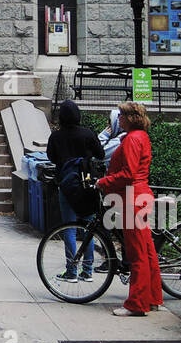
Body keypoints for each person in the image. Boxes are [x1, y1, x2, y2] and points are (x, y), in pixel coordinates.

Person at [97, 101, 163, 316]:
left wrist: (103, 182)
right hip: (139, 196)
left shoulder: (133, 139)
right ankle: (152, 298)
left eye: (121, 116)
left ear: (129, 118)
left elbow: (128, 174)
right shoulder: (140, 137)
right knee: (147, 251)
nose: (119, 119)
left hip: (132, 198)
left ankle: (136, 304)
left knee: (137, 254)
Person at [47, 100, 105, 283]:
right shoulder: (87, 133)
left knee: (69, 229)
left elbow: (51, 157)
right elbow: (101, 154)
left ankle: (71, 270)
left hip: (66, 185)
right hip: (87, 184)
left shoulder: (56, 137)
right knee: (89, 227)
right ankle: (87, 270)